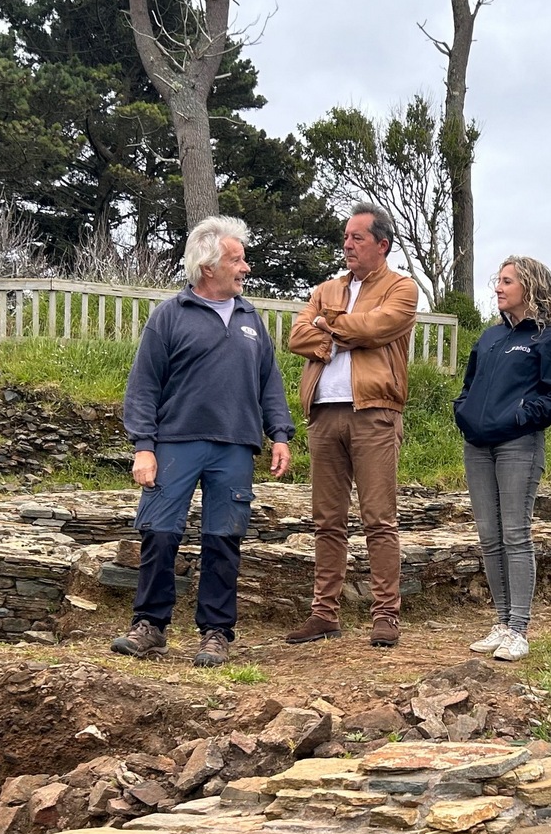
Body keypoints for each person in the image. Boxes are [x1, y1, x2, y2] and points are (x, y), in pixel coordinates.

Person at [111, 216, 294, 667]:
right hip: (176, 442)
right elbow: (143, 386)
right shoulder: (169, 316)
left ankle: (216, 633)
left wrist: (280, 435)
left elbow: (270, 383)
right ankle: (150, 625)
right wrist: (143, 446)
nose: (245, 267)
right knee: (159, 533)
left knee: (223, 539)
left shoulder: (251, 320)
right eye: (237, 260)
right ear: (208, 267)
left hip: (235, 446)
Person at [285, 202, 418, 648]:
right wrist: (340, 333)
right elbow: (297, 337)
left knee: (379, 518)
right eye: (345, 237)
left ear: (382, 244)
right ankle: (324, 614)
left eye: (357, 237)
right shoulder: (327, 289)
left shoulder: (402, 288)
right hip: (324, 413)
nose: (347, 244)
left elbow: (377, 328)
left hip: (375, 413)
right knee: (327, 520)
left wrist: (327, 325)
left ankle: (386, 615)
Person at [453, 257, 551, 662]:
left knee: (515, 534)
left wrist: (519, 417)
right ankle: (502, 622)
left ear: (530, 286)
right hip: (477, 446)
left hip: (518, 446)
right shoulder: (490, 336)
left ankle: (519, 629)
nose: (498, 288)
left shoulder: (550, 338)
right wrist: (464, 411)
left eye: (507, 281)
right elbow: (468, 385)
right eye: (498, 281)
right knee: (489, 537)